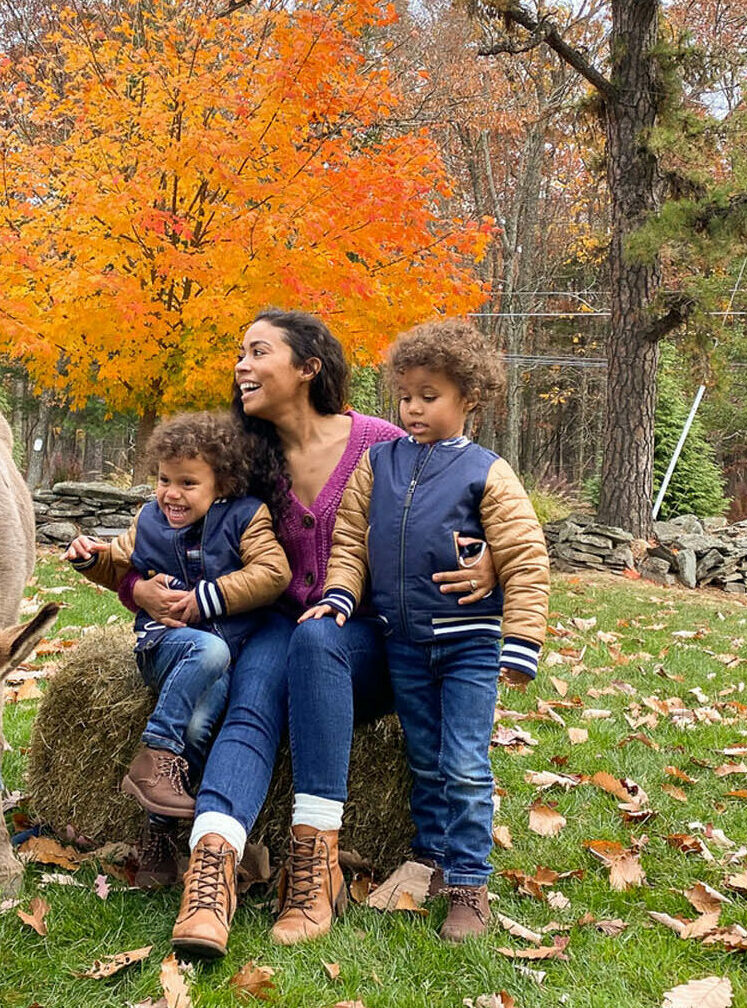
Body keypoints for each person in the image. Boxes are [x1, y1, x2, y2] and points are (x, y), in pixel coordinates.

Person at [131, 310, 501, 959]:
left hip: (374, 641)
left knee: (316, 640)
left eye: (258, 351)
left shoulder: (385, 442)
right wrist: (132, 587)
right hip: (279, 628)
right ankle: (212, 874)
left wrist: (493, 556)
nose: (241, 364)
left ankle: (314, 860)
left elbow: (480, 493)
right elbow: (167, 536)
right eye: (238, 352)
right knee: (253, 698)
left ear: (309, 366)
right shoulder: (246, 463)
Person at [301, 318, 550, 941]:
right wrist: (339, 594)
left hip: (466, 645)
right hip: (402, 643)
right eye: (405, 395)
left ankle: (470, 882)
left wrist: (521, 642)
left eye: (429, 396)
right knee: (423, 755)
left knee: (464, 762)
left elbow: (523, 554)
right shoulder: (377, 463)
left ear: (469, 397)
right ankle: (430, 857)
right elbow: (352, 540)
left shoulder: (487, 473)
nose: (413, 408)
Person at [65, 413, 290, 822]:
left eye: (188, 483)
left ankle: (161, 823)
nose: (172, 494)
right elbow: (116, 564)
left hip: (223, 657)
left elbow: (274, 572)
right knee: (208, 649)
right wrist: (89, 558)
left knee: (198, 724)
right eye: (165, 480)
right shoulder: (148, 520)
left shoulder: (245, 517)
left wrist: (209, 598)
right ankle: (155, 748)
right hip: (164, 648)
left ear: (221, 484)